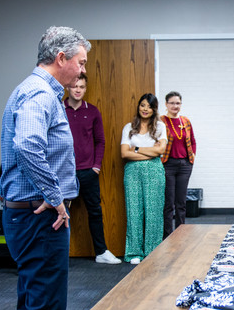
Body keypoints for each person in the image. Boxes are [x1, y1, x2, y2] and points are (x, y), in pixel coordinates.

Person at [0, 26, 90, 310]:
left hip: (29, 214)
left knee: (34, 301)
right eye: (81, 62)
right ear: (61, 58)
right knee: (47, 307)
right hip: (40, 217)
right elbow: (26, 144)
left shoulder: (37, 91)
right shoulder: (39, 92)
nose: (82, 70)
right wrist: (54, 196)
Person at [64, 73, 121, 264]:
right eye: (74, 86)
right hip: (64, 173)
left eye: (81, 86)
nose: (78, 90)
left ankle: (101, 252)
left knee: (95, 211)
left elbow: (100, 141)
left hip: (88, 171)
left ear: (85, 89)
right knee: (60, 212)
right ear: (67, 88)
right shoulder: (58, 109)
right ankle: (58, 254)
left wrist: (96, 166)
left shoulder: (93, 111)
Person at [121, 93, 167, 265]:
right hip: (132, 173)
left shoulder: (160, 127)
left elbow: (160, 151)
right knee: (134, 211)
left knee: (153, 211)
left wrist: (137, 148)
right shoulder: (129, 127)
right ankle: (134, 252)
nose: (145, 109)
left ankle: (153, 251)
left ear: (154, 109)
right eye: (142, 105)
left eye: (149, 106)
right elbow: (124, 153)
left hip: (154, 171)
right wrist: (150, 152)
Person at [160, 91, 196, 239]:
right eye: (172, 103)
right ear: (166, 104)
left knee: (181, 202)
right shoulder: (161, 121)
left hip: (185, 165)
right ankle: (167, 236)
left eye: (178, 103)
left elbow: (193, 140)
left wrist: (192, 156)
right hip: (168, 164)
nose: (175, 106)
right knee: (169, 203)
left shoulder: (185, 121)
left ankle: (181, 234)